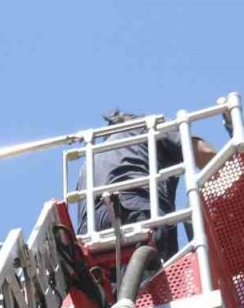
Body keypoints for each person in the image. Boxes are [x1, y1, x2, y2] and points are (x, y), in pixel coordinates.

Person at [76, 110, 217, 259]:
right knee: (163, 275)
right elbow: (204, 152)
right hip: (137, 210)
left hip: (90, 233)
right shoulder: (148, 128)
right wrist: (232, 170)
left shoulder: (89, 161)